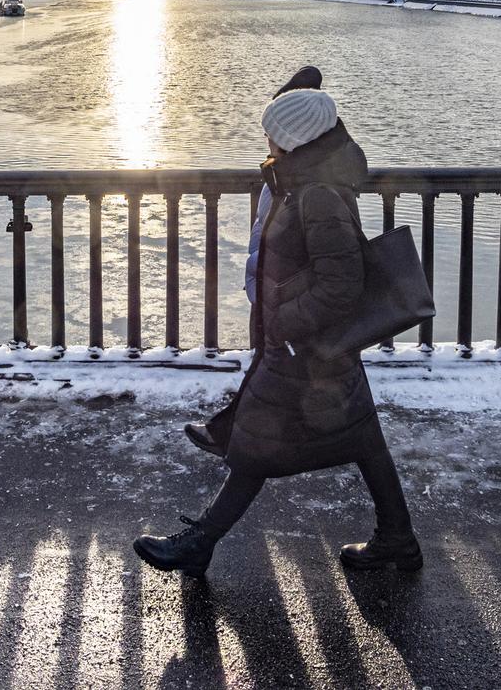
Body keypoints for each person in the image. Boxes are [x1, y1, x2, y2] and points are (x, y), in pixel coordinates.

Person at [134, 88, 422, 576]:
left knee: (257, 442)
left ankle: (200, 542)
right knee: (363, 441)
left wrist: (286, 324)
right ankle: (397, 539)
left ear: (293, 139)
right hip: (316, 347)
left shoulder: (319, 195)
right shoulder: (310, 183)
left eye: (271, 131)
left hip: (303, 349)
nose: (264, 138)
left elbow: (342, 284)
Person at [186, 65, 324, 457]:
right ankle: (250, 435)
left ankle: (233, 437)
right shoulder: (287, 174)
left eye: (271, 132)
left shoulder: (306, 184)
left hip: (285, 294)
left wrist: (280, 300)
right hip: (274, 289)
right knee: (274, 370)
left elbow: (308, 248)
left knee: (269, 369)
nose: (264, 139)